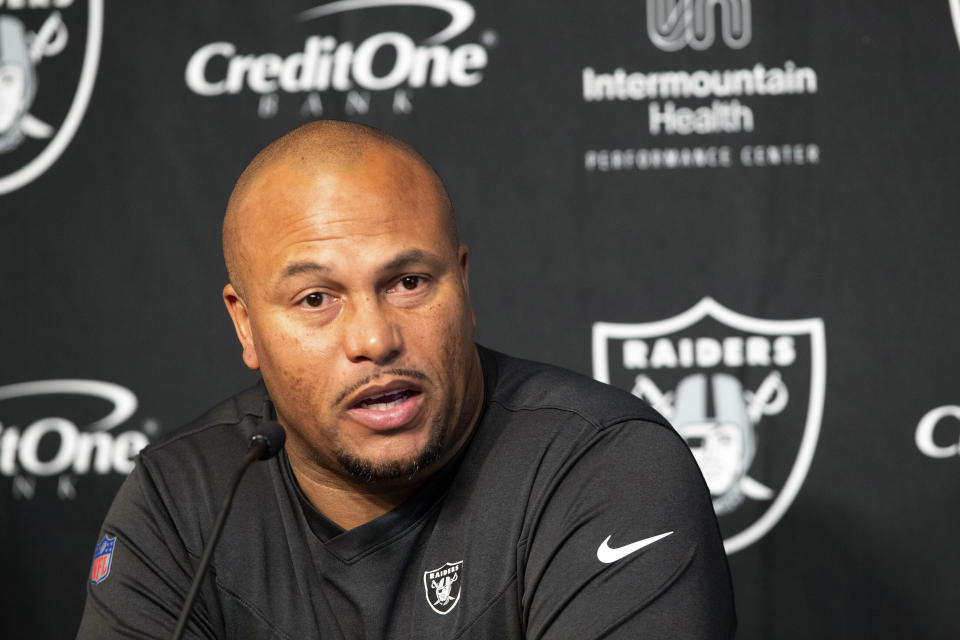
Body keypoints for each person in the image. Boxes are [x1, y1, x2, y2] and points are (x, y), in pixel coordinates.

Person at [77, 121, 736, 638]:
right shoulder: (182, 499)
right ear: (246, 326)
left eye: (408, 283)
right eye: (315, 300)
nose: (374, 340)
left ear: (464, 283)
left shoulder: (606, 465)